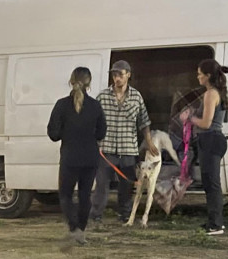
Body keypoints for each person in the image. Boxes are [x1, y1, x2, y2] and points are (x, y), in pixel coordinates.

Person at [91, 60, 159, 224]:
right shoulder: (102, 96)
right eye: (114, 75)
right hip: (106, 149)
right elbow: (93, 121)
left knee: (126, 185)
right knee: (101, 184)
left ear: (128, 74)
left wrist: (149, 143)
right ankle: (96, 215)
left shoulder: (136, 97)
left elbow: (144, 122)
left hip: (128, 149)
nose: (117, 78)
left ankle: (125, 214)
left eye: (120, 75)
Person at [47, 67, 107, 245]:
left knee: (65, 194)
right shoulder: (95, 106)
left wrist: (66, 133)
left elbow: (53, 134)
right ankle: (81, 229)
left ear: (71, 81)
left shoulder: (61, 105)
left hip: (70, 157)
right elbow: (101, 133)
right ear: (89, 83)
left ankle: (73, 227)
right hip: (90, 158)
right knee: (84, 195)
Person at [181, 59, 228, 235]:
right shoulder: (215, 93)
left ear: (208, 76)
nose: (198, 76)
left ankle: (216, 224)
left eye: (200, 73)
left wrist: (189, 118)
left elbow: (207, 123)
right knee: (210, 183)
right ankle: (214, 221)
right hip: (212, 140)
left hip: (210, 139)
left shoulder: (211, 94)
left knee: (212, 183)